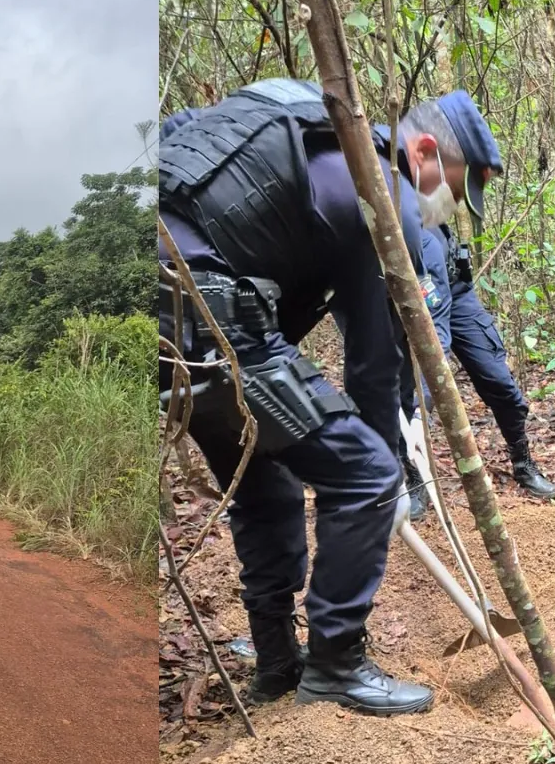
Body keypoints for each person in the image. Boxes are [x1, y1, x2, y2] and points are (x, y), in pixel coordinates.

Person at [158, 77, 433, 716]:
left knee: (262, 478)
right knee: (362, 473)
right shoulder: (378, 191)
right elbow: (371, 360)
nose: (443, 201)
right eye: (454, 180)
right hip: (211, 315)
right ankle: (336, 665)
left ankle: (279, 665)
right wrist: (384, 477)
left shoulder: (272, 123)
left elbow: (173, 139)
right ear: (420, 152)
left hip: (154, 310)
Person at [385, 92, 555, 509]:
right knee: (411, 397)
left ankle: (523, 462)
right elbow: (432, 331)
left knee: (500, 382)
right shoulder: (395, 204)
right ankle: (412, 476)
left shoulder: (427, 206)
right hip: (420, 314)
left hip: (458, 295)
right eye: (461, 188)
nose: (458, 201)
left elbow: (447, 306)